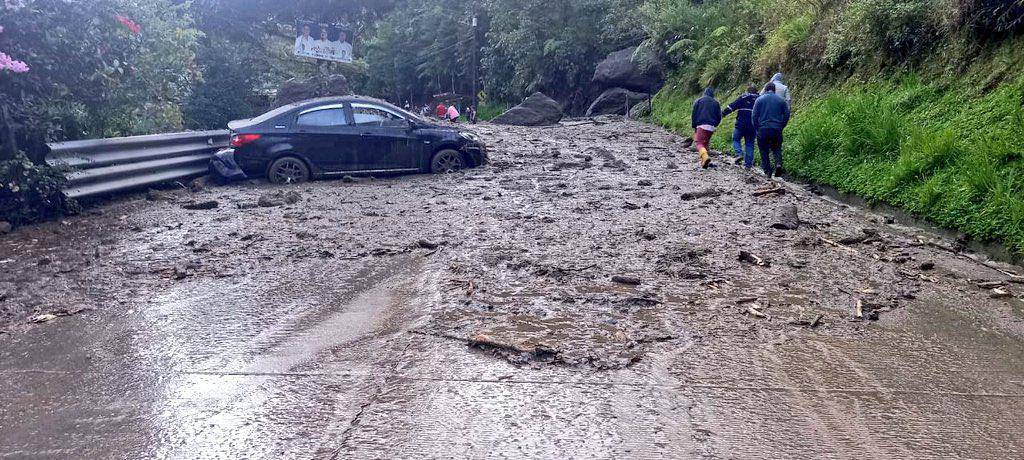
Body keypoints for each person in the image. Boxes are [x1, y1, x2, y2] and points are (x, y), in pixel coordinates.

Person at [752, 82, 791, 179]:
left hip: (763, 128)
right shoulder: (781, 100)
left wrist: (757, 128)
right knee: (777, 148)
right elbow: (787, 114)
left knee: (763, 150)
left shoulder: (759, 100)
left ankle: (768, 172)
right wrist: (782, 125)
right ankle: (778, 164)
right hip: (776, 128)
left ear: (765, 89)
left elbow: (754, 116)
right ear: (774, 90)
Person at [722, 85, 759, 169]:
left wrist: (722, 114)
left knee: (736, 139)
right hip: (753, 125)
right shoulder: (759, 99)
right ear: (756, 92)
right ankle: (748, 165)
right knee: (750, 143)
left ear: (747, 91)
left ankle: (739, 154)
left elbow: (731, 107)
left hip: (741, 124)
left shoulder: (743, 97)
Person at [690, 87, 722, 169]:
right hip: (711, 127)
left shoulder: (699, 101)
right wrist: (715, 125)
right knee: (706, 143)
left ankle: (705, 157)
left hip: (701, 125)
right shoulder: (716, 103)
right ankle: (705, 163)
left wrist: (694, 125)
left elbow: (694, 114)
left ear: (704, 93)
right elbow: (719, 116)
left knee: (699, 143)